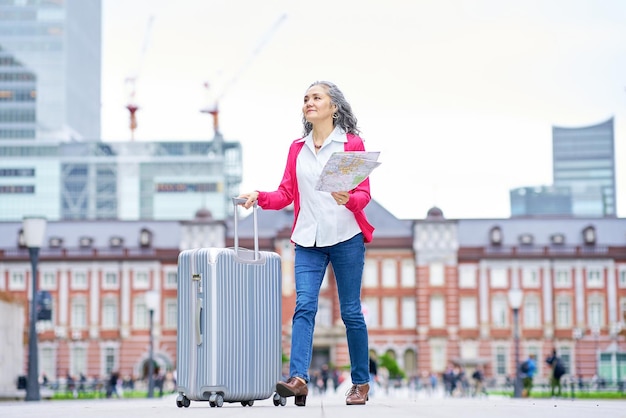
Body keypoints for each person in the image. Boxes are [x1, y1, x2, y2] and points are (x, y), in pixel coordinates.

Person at [238, 80, 374, 407]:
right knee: (304, 307)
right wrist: (259, 197)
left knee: (351, 312)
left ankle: (360, 383)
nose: (309, 102)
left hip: (345, 238)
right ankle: (298, 378)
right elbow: (286, 193)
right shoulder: (297, 148)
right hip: (307, 239)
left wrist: (349, 199)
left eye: (316, 97)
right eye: (306, 99)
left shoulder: (351, 144)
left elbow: (364, 195)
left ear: (334, 107)